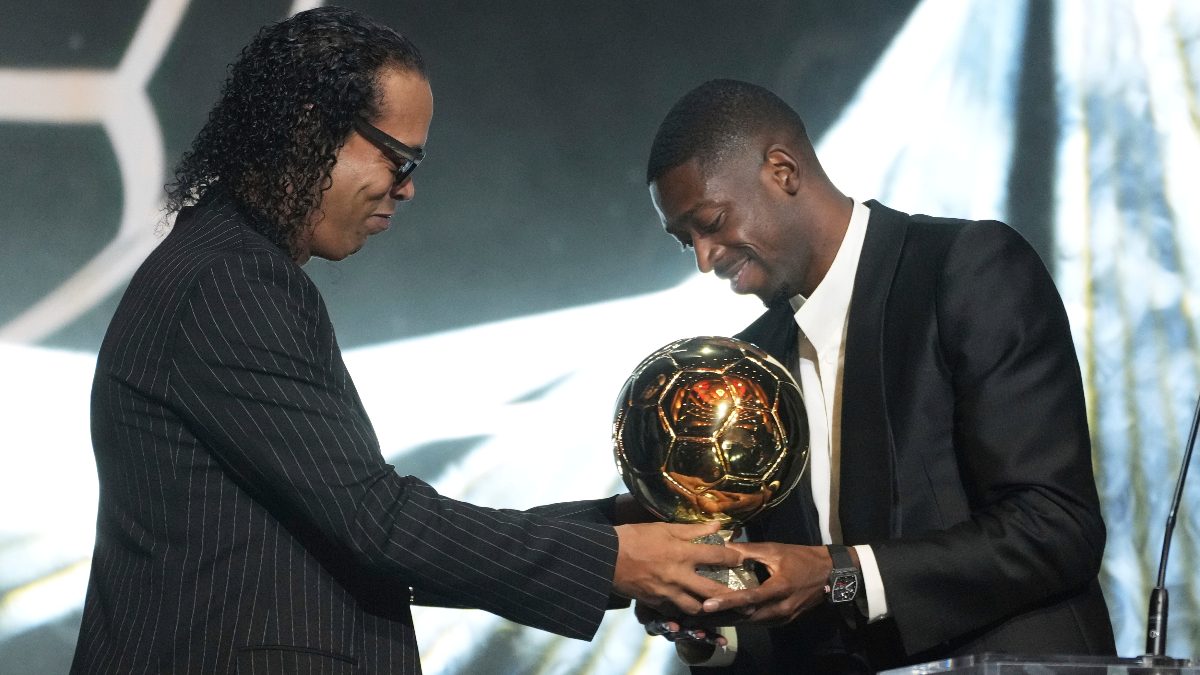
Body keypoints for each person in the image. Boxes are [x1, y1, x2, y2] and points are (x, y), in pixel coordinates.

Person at [69, 9, 741, 674]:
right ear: (308, 128)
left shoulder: (222, 269)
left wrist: (611, 529)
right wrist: (615, 559)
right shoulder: (229, 282)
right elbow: (377, 524)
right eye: (398, 158)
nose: (409, 187)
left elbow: (366, 535)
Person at [639, 78, 1117, 673]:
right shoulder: (751, 364)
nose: (704, 257)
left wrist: (839, 574)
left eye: (710, 222)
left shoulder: (966, 267)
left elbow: (1056, 527)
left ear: (782, 171)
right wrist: (712, 624)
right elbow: (803, 608)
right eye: (684, 241)